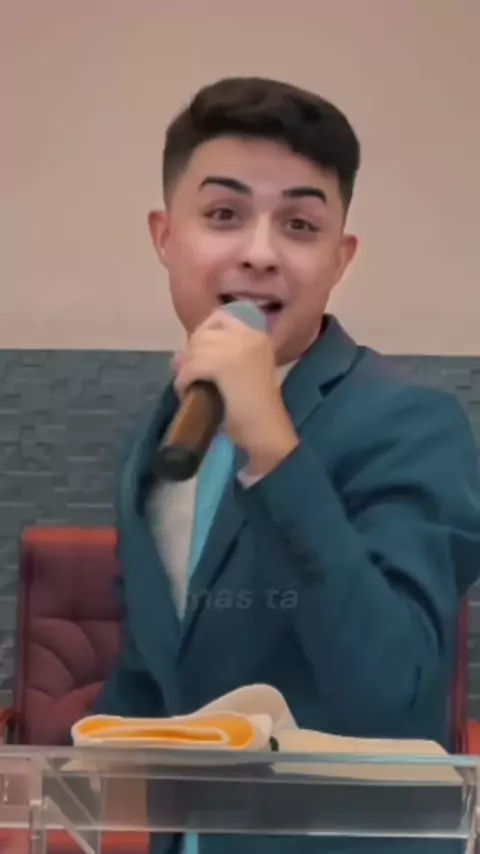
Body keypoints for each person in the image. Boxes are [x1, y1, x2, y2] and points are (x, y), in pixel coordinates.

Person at [94, 77, 480, 853]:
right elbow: (158, 669)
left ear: (340, 258)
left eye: (300, 225)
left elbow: (391, 692)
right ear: (165, 236)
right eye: (224, 215)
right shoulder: (163, 434)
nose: (260, 253)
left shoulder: (415, 426)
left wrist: (274, 450)